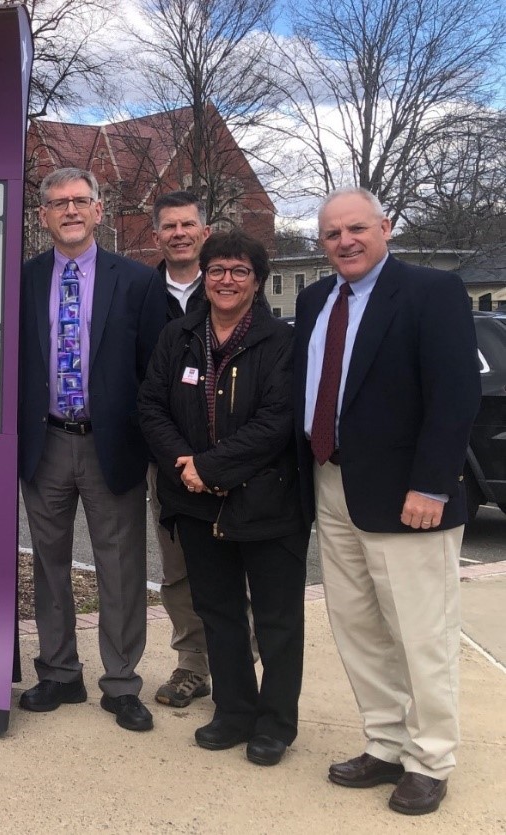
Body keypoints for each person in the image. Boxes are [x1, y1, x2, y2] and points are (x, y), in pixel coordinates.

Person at [293, 188, 480, 814]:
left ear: (386, 228)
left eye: (356, 229)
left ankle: (430, 758)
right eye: (331, 234)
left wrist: (432, 483)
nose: (344, 242)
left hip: (408, 497)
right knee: (358, 627)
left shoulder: (431, 293)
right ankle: (385, 742)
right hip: (333, 483)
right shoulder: (316, 298)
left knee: (420, 632)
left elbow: (454, 397)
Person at [139, 230, 308, 766]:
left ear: (257, 281)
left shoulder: (280, 342)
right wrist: (187, 469)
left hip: (267, 502)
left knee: (278, 620)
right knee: (219, 612)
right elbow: (151, 408)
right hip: (194, 503)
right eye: (217, 270)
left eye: (239, 271)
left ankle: (276, 722)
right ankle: (234, 712)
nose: (227, 280)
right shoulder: (178, 336)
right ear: (203, 277)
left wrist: (210, 466)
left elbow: (277, 421)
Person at [17, 167, 165, 732]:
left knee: (121, 567)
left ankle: (122, 682)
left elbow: (154, 371)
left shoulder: (137, 282)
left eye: (81, 201)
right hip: (46, 440)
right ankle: (58, 672)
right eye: (59, 204)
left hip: (112, 444)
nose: (71, 211)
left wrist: (151, 445)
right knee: (49, 565)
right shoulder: (25, 279)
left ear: (100, 210)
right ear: (44, 217)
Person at [146, 191, 213, 708]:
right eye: (169, 226)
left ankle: (239, 654)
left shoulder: (234, 285)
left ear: (204, 232)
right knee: (179, 568)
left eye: (188, 224)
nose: (179, 233)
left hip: (236, 457)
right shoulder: (137, 294)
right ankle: (192, 663)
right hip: (168, 458)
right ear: (157, 236)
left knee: (239, 561)